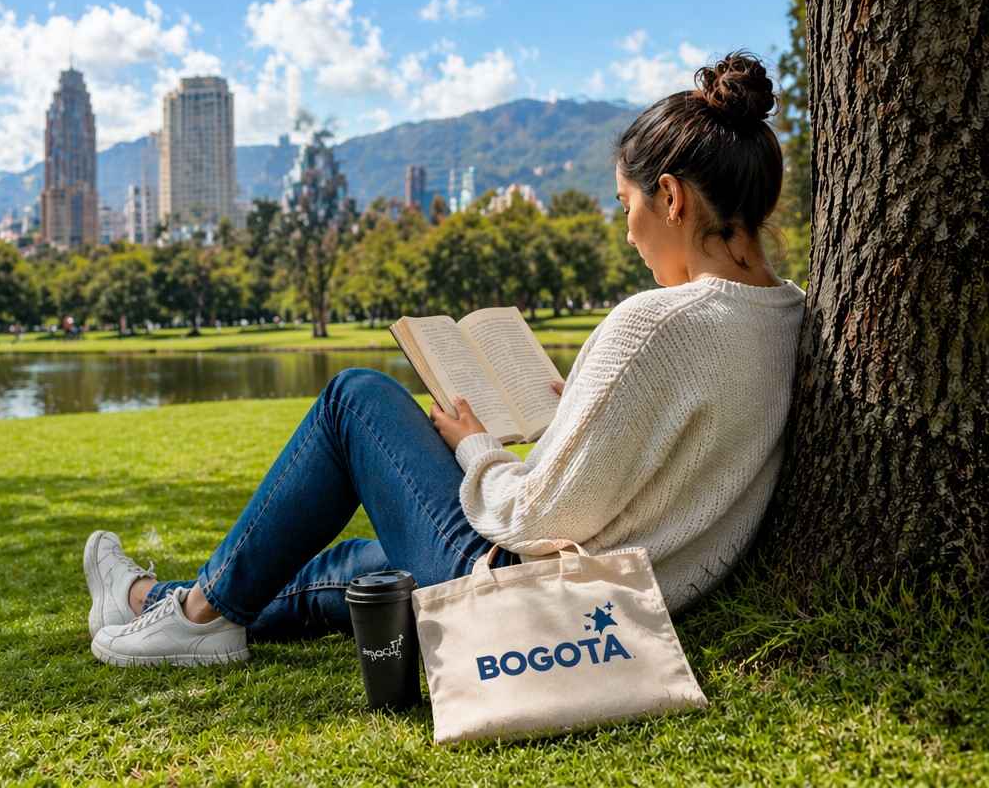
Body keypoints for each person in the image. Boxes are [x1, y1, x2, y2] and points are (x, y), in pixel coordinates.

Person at [83, 51, 805, 667]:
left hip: (535, 603)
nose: (627, 234)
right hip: (632, 594)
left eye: (625, 206)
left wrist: (475, 446)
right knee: (365, 567)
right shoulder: (790, 315)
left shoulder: (656, 324)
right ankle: (155, 601)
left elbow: (532, 517)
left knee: (354, 399)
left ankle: (197, 619)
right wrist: (580, 418)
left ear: (670, 198)